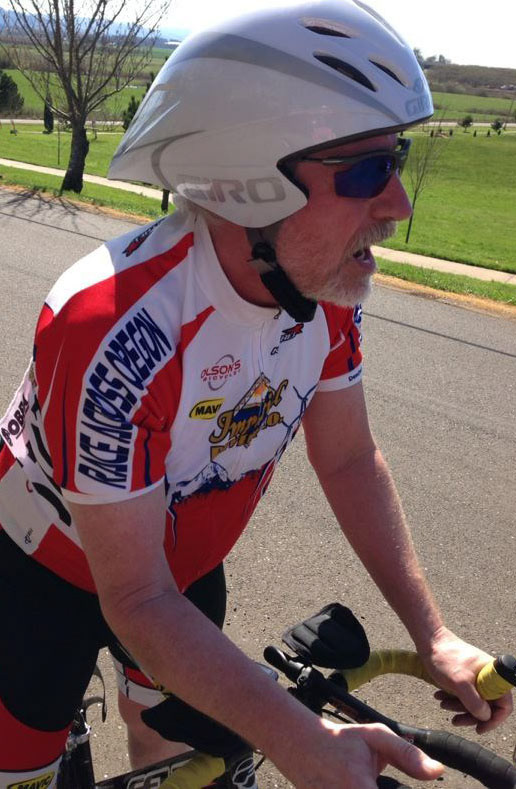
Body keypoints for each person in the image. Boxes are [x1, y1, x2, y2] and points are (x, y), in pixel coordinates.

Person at [0, 1, 512, 787]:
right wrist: (303, 741)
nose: (400, 204)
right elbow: (134, 594)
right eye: (366, 171)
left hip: (179, 567)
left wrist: (433, 633)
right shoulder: (115, 324)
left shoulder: (325, 290)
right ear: (249, 185)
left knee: (179, 756)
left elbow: (348, 458)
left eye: (398, 159)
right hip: (40, 570)